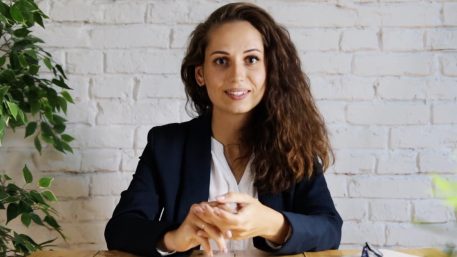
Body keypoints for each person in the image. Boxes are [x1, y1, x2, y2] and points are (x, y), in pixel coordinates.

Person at [105, 2, 342, 257]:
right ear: (200, 74)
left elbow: (329, 228)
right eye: (221, 61)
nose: (237, 75)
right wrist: (175, 238)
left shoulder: (293, 143)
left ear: (269, 70)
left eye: (251, 59)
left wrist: (271, 223)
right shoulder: (166, 145)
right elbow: (120, 228)